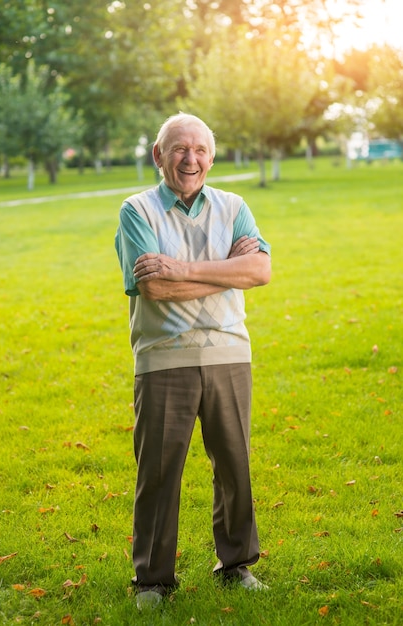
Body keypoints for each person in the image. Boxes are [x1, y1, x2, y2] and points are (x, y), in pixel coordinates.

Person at [115, 113, 271, 610]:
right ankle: (153, 581)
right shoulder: (136, 211)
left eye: (201, 149)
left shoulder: (234, 206)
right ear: (158, 155)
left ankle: (237, 566)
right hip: (163, 356)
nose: (191, 158)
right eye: (179, 149)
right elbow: (153, 287)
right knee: (159, 470)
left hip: (229, 350)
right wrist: (229, 270)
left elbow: (261, 270)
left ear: (212, 155)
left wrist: (183, 267)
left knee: (234, 463)